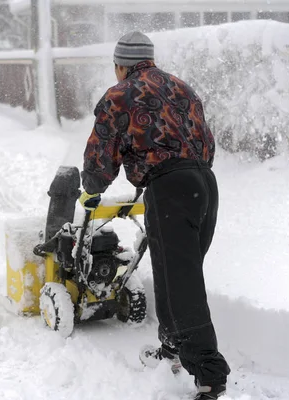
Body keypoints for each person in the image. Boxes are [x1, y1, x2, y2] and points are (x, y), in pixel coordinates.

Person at [79, 31, 231, 399]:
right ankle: (173, 348)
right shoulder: (182, 87)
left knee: (181, 282)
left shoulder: (119, 94)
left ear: (120, 65)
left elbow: (102, 154)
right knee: (175, 273)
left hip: (171, 188)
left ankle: (210, 375)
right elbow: (203, 139)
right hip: (204, 184)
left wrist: (92, 189)